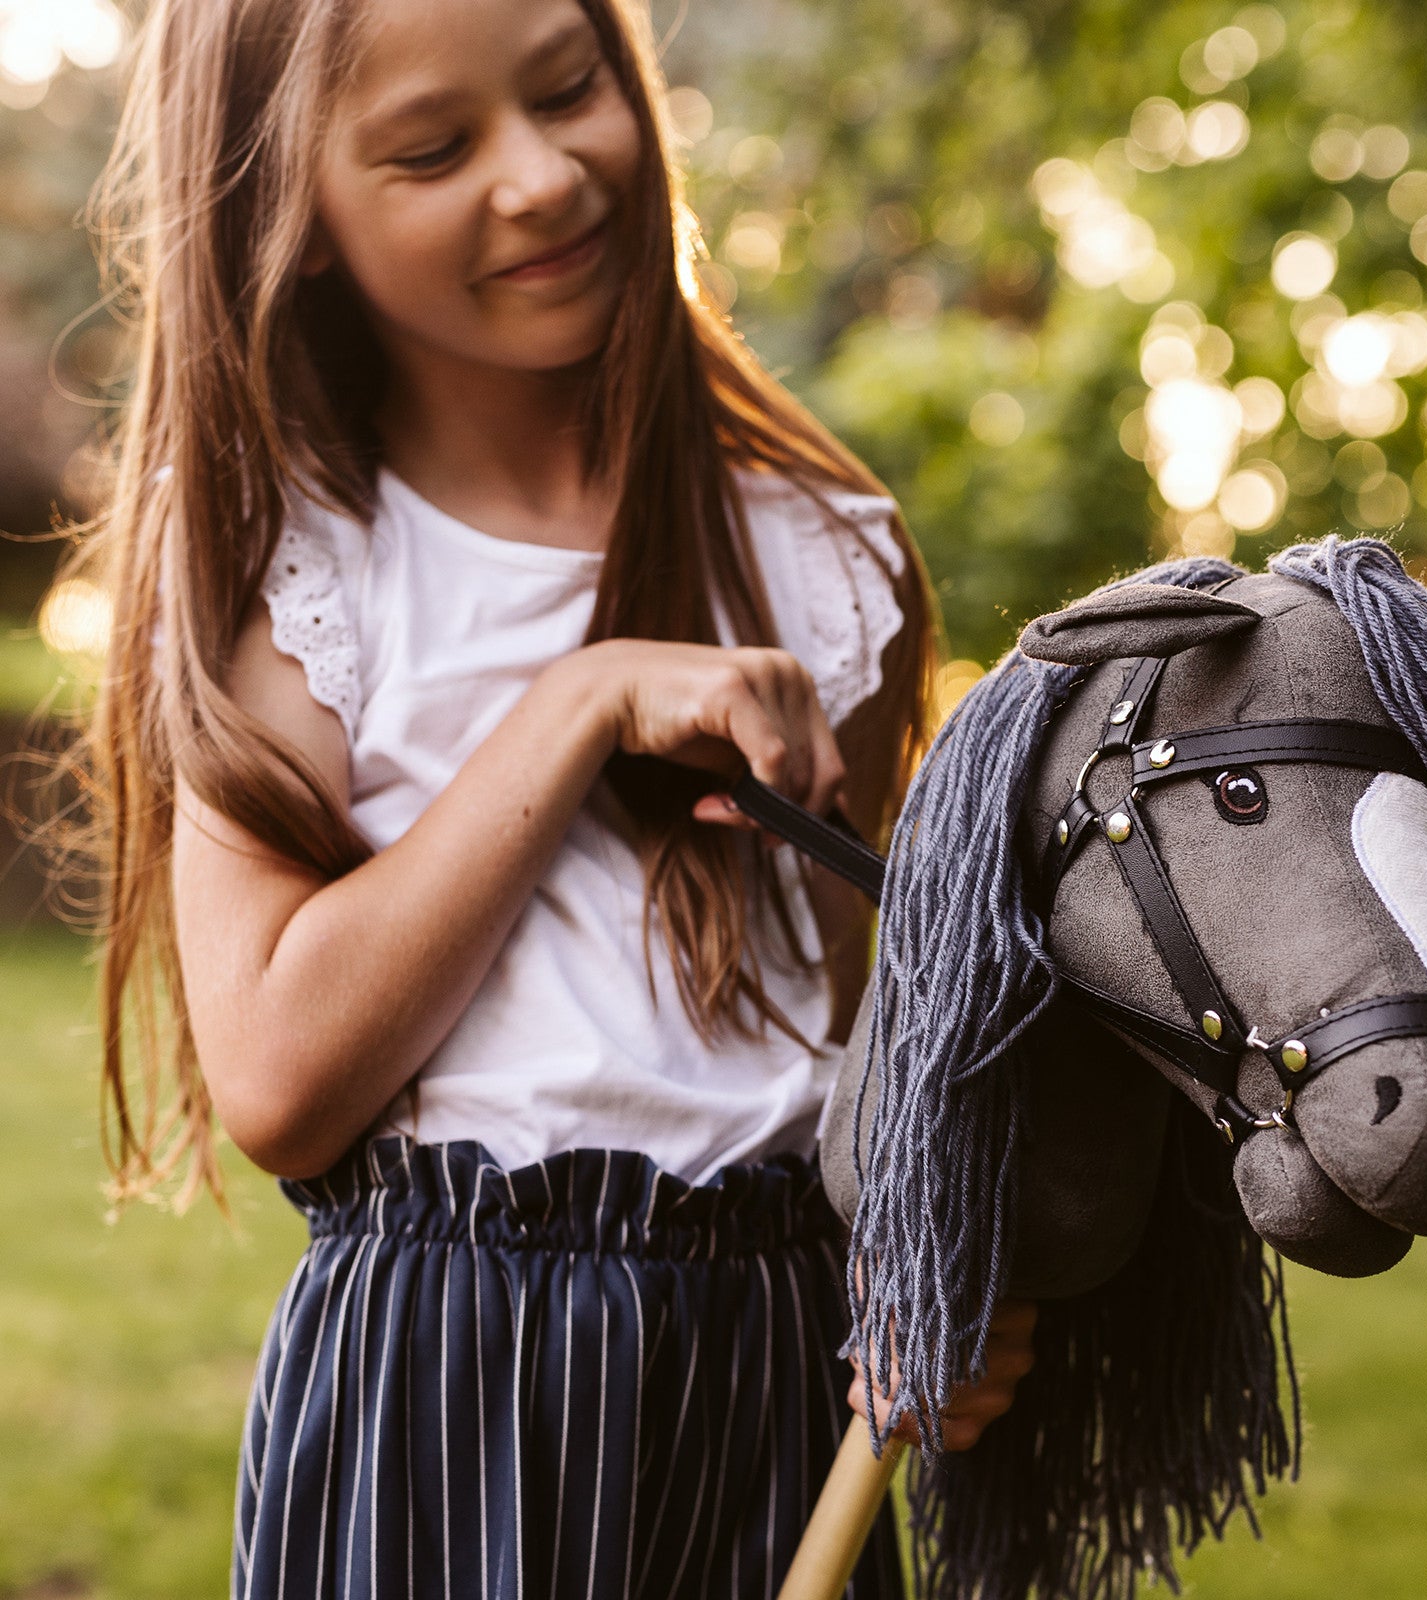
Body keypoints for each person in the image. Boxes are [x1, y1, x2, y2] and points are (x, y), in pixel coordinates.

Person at [67, 0, 1038, 1592]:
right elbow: (278, 1073)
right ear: (292, 221)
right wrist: (581, 703)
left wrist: (940, 1284)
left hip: (780, 1361)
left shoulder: (821, 547)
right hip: (445, 1364)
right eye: (435, 150)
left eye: (570, 87)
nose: (542, 176)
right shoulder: (288, 555)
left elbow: (876, 1053)